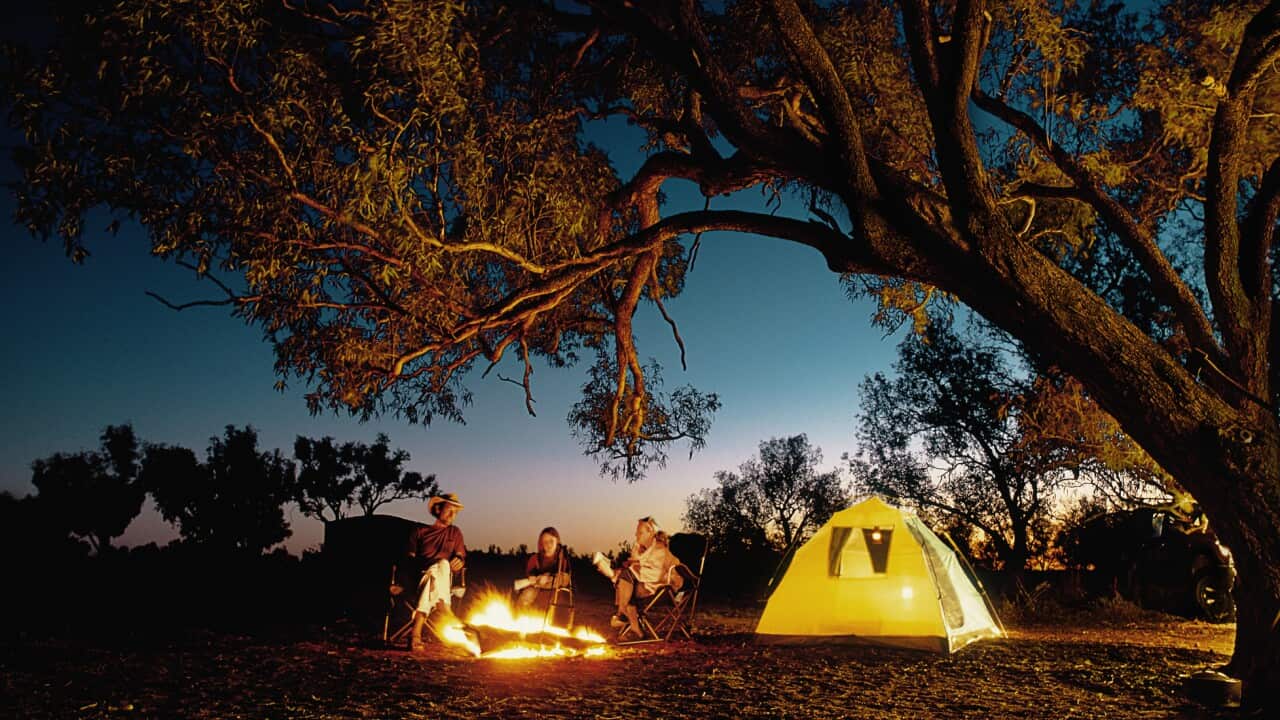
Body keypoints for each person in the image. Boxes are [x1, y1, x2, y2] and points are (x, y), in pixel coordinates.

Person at [597, 516, 680, 639]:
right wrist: (633, 563)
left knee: (625, 578)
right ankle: (634, 626)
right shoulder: (642, 550)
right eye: (636, 532)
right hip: (645, 587)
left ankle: (623, 613)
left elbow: (655, 574)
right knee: (627, 581)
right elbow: (641, 568)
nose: (636, 535)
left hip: (663, 590)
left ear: (650, 532)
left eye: (640, 532)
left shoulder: (660, 551)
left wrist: (633, 567)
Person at [405, 492, 466, 652]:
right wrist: (426, 565)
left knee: (443, 564)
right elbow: (408, 560)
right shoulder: (419, 531)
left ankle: (415, 633)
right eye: (449, 510)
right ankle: (445, 608)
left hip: (442, 578)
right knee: (435, 569)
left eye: (456, 512)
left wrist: (459, 561)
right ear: (438, 509)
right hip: (419, 577)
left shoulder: (455, 532)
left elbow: (460, 555)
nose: (453, 515)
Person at [514, 526, 572, 610]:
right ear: (541, 543)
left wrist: (548, 578)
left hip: (554, 585)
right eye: (545, 542)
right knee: (528, 593)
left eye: (551, 541)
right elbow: (530, 574)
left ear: (557, 542)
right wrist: (533, 578)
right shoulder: (535, 558)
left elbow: (565, 580)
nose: (548, 545)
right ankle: (518, 613)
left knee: (564, 578)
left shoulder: (563, 558)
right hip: (536, 587)